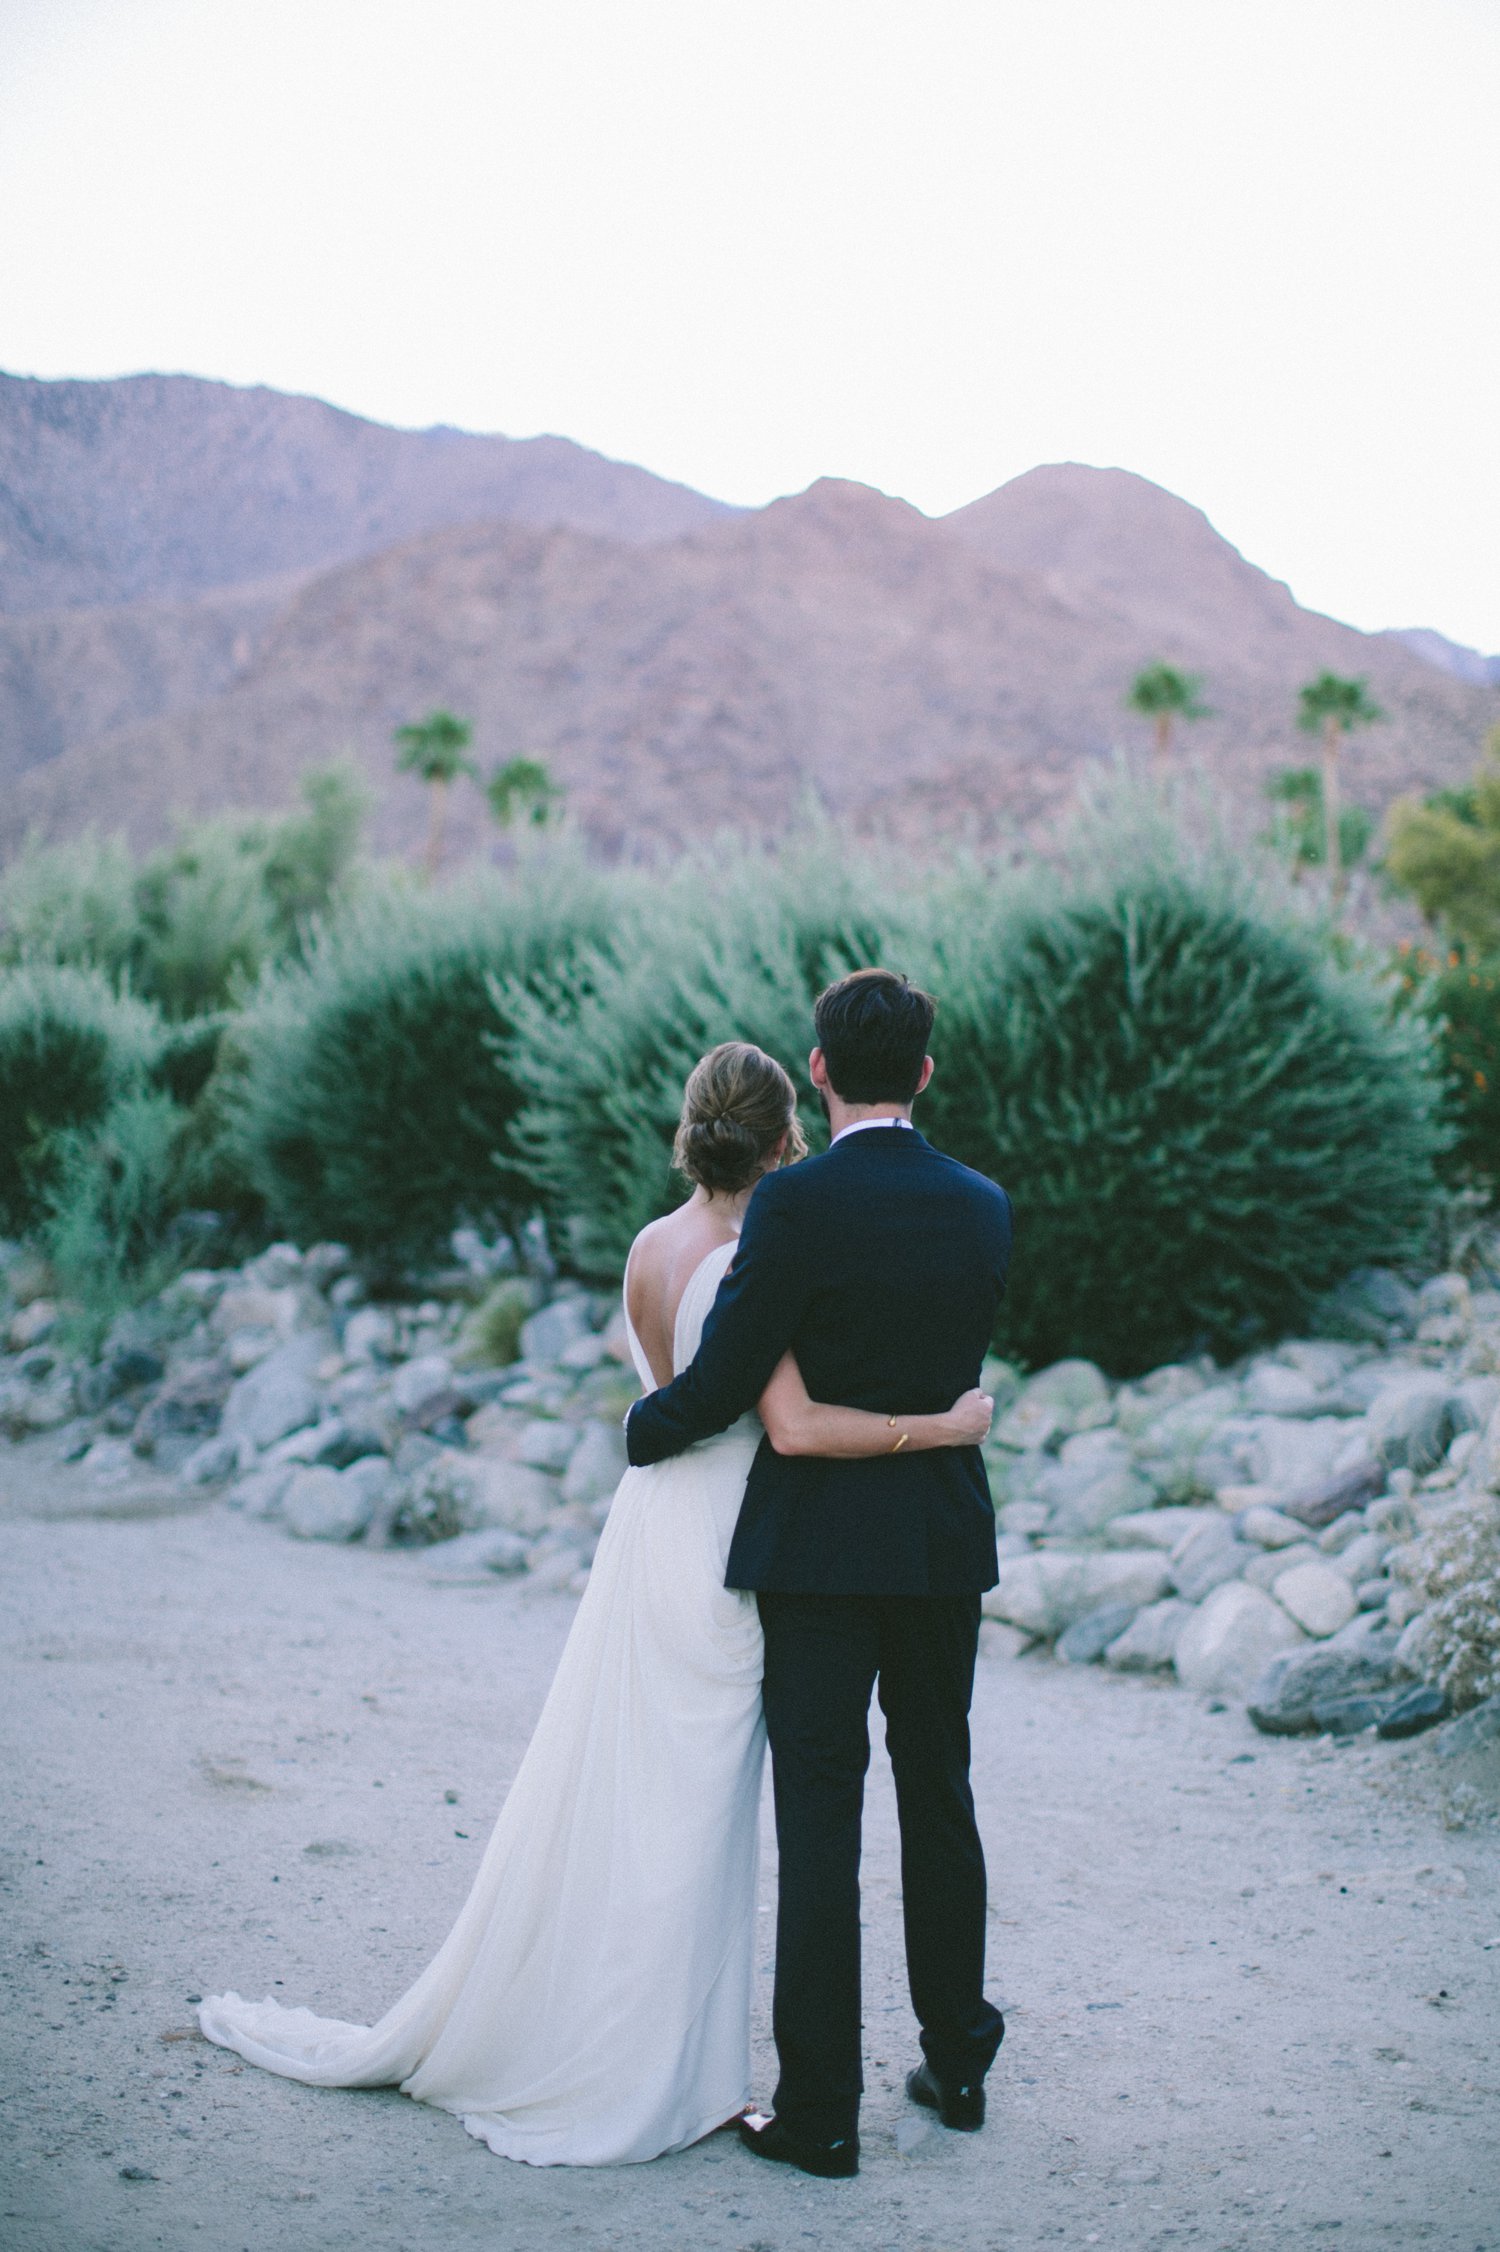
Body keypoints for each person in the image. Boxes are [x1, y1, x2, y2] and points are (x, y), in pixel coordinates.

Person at [197, 1038, 992, 2167]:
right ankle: (696, 2067)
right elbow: (786, 1421)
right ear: (786, 1130)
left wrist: (639, 1430)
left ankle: (691, 2062)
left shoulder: (650, 1246)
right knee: (718, 1817)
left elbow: (666, 1392)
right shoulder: (770, 1243)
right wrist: (945, 1425)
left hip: (656, 1533)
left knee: (655, 1801)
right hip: (747, 1536)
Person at [627, 970, 1014, 2179]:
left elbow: (723, 1379)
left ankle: (821, 2112)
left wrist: (643, 1428)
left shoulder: (789, 1206)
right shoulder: (984, 1204)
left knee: (823, 1816)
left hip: (818, 1556)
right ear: (927, 1074)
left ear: (824, 1072)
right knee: (939, 1794)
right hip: (940, 1542)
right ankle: (957, 2062)